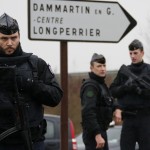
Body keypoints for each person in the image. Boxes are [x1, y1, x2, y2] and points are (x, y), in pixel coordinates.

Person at [0, 13, 63, 150]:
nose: (9, 43)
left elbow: (56, 96)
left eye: (13, 38)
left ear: (19, 37)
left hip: (33, 141)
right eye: (4, 38)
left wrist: (33, 85)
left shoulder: (35, 64)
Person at [110, 39, 150, 150]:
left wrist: (142, 91)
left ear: (142, 53)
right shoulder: (124, 71)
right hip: (128, 118)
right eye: (130, 53)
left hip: (145, 118)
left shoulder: (148, 70)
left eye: (135, 53)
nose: (133, 56)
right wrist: (126, 88)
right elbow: (112, 91)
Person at [80, 53, 114, 150]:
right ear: (91, 68)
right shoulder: (91, 86)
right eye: (99, 66)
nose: (102, 68)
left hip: (101, 130)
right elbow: (88, 112)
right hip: (94, 134)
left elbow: (110, 102)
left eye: (104, 65)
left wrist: (117, 109)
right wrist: (97, 134)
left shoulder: (101, 85)